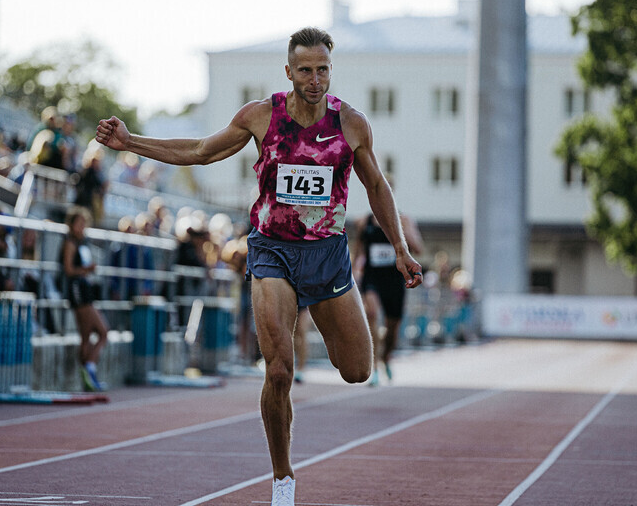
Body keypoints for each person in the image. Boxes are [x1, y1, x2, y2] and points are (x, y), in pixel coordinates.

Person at [96, 26, 423, 506]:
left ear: (331, 71)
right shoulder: (261, 117)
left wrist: (400, 246)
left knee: (357, 370)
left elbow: (376, 186)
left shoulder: (351, 124)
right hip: (271, 249)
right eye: (306, 70)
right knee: (278, 372)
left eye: (323, 69)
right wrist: (131, 143)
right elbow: (201, 151)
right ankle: (283, 480)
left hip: (327, 254)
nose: (315, 79)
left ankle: (303, 419)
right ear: (288, 72)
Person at [355, 202, 425, 386]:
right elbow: (358, 249)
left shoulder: (403, 220)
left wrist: (405, 233)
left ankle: (385, 357)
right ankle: (375, 368)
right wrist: (354, 271)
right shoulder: (365, 221)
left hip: (395, 280)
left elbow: (419, 249)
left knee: (392, 327)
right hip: (372, 278)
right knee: (372, 314)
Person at [61, 206, 109, 391]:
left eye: (84, 223)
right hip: (77, 289)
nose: (82, 227)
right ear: (71, 225)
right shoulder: (70, 243)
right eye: (79, 223)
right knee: (103, 332)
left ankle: (87, 376)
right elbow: (69, 270)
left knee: (86, 335)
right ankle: (89, 367)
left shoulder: (83, 242)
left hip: (85, 288)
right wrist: (86, 270)